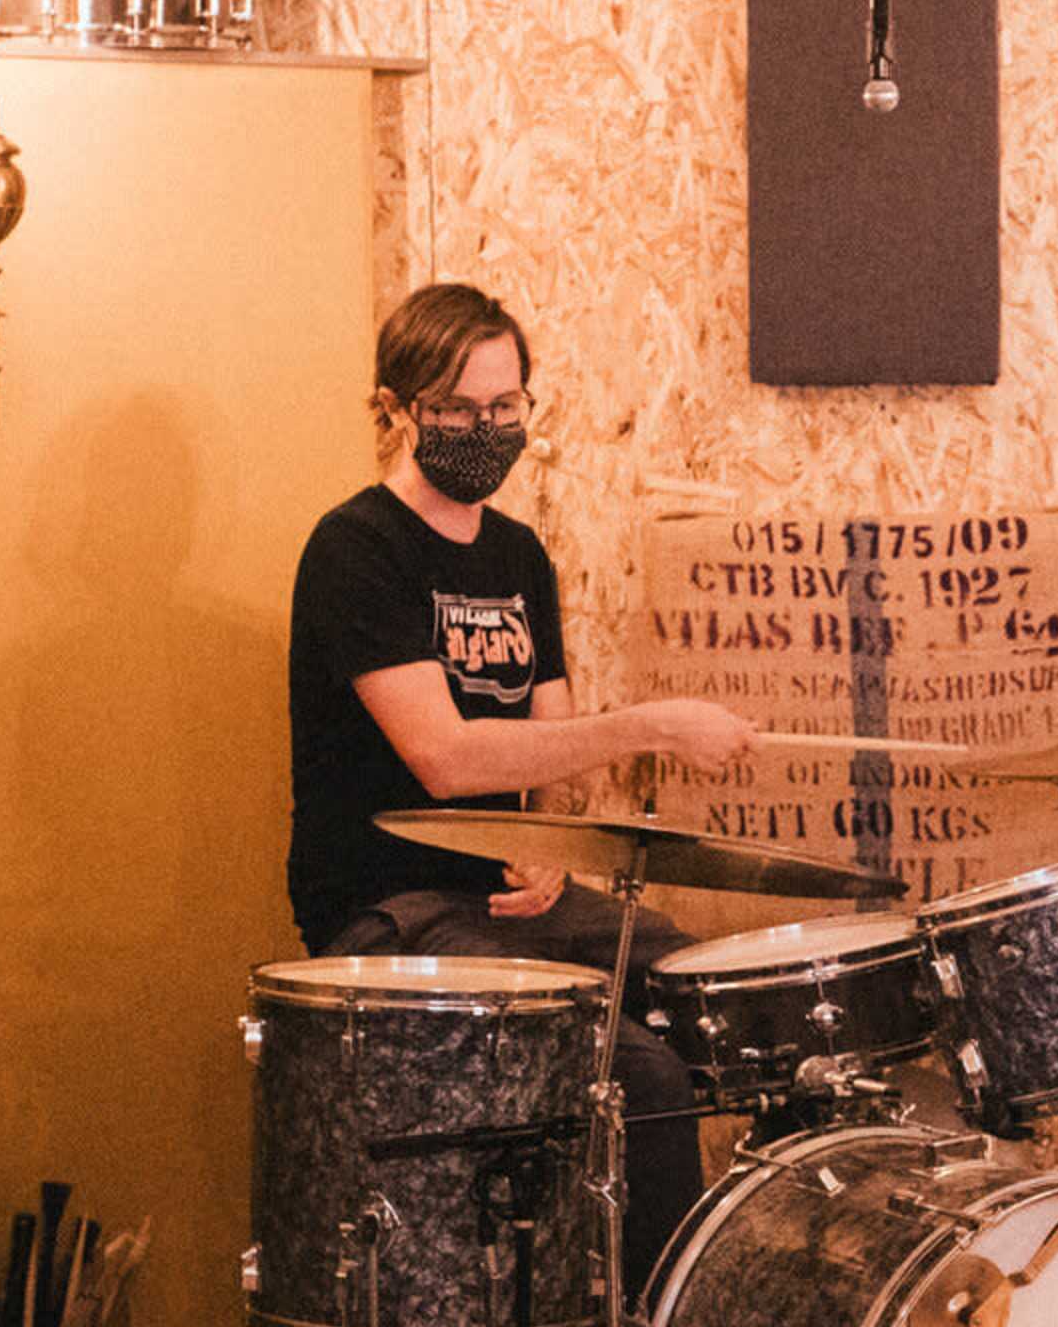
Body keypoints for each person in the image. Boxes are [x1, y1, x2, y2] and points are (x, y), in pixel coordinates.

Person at [286, 282, 759, 1269]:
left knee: (721, 995)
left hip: (505, 899)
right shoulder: (355, 549)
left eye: (507, 408)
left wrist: (551, 842)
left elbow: (553, 741)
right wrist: (652, 724)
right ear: (396, 409)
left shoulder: (518, 556)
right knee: (643, 1073)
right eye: (459, 411)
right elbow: (446, 758)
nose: (487, 431)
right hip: (393, 905)